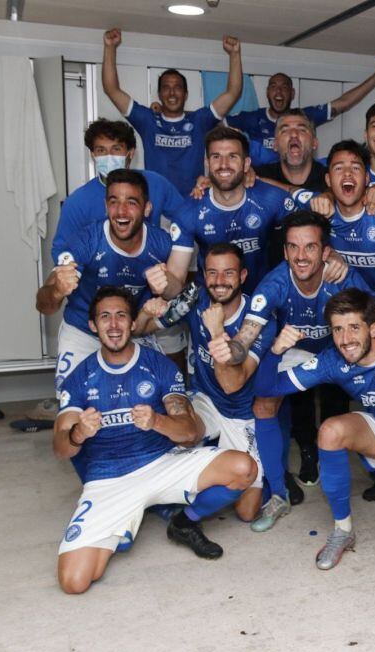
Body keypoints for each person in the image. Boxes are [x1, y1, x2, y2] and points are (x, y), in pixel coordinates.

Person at [54, 286, 258, 594]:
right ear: (93, 325)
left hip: (163, 462)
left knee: (244, 468)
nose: (113, 325)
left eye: (121, 316)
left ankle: (184, 520)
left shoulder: (159, 365)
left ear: (133, 322)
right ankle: (125, 524)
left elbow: (191, 433)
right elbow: (59, 448)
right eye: (105, 317)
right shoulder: (79, 378)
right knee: (74, 581)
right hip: (110, 478)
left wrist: (158, 421)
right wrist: (78, 433)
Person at [230, 212, 375, 530]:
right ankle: (278, 495)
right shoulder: (274, 283)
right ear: (284, 251)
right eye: (293, 247)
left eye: (310, 247)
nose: (300, 256)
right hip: (299, 349)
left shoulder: (343, 277)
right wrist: (231, 350)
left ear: (326, 252)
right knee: (264, 402)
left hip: (342, 346)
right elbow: (245, 335)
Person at [256, 288, 375, 570]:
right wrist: (275, 351)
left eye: (354, 328)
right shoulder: (333, 360)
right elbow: (266, 388)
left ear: (372, 328)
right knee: (331, 431)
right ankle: (343, 530)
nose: (345, 340)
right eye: (337, 330)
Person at [136, 242, 273, 521]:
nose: (219, 282)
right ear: (203, 276)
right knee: (181, 431)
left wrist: (216, 331)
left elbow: (231, 384)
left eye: (228, 273)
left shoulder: (259, 320)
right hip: (205, 399)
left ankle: (210, 468)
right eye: (212, 273)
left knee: (247, 512)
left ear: (243, 276)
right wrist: (146, 313)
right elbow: (140, 331)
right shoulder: (195, 299)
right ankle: (182, 509)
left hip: (240, 412)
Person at [37, 170, 186, 397]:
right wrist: (56, 290)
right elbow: (43, 305)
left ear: (147, 209)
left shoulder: (161, 243)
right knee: (72, 411)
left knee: (151, 403)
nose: (121, 211)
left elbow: (180, 293)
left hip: (133, 333)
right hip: (84, 332)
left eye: (131, 202)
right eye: (114, 201)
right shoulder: (85, 241)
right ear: (106, 207)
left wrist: (168, 285)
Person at [101, 28, 243, 195]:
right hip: (156, 205)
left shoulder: (199, 121)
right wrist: (110, 48)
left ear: (185, 94)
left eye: (178, 88)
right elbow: (111, 89)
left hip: (192, 202)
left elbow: (233, 93)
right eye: (166, 88)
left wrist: (235, 54)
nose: (172, 93)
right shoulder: (148, 120)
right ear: (160, 94)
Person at [165, 126, 296, 294]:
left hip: (262, 298)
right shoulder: (189, 211)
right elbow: (175, 282)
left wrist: (331, 256)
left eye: (232, 157)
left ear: (246, 163)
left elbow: (309, 235)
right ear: (207, 163)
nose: (224, 165)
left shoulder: (272, 199)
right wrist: (163, 283)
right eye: (216, 157)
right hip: (211, 303)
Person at [297, 139, 375, 311]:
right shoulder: (321, 208)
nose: (347, 174)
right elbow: (287, 191)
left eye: (355, 168)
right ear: (328, 179)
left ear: (366, 178)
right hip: (351, 314)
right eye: (339, 168)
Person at [57, 119, 189, 241]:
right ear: (93, 155)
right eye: (101, 150)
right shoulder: (77, 202)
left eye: (116, 149)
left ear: (130, 153)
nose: (109, 156)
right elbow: (62, 250)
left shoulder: (155, 184)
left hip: (151, 264)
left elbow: (188, 218)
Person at [227, 60, 375, 151]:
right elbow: (214, 124)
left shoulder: (304, 117)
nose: (278, 91)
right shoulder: (251, 118)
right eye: (273, 86)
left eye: (284, 87)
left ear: (292, 94)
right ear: (267, 92)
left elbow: (342, 104)